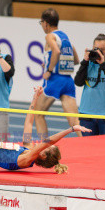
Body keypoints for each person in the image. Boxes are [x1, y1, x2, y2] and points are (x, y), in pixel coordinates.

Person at [35, 8, 81, 139]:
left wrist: (49, 70)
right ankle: (85, 142)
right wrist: (52, 63)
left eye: (41, 23)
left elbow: (55, 51)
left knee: (38, 114)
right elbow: (76, 60)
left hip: (55, 80)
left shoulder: (50, 36)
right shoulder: (65, 37)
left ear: (45, 23)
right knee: (74, 120)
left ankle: (44, 146)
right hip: (68, 81)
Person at [74, 34, 105, 136]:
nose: (99, 52)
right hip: (87, 115)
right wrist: (85, 62)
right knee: (89, 150)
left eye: (102, 49)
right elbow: (78, 82)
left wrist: (103, 64)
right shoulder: (88, 64)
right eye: (96, 49)